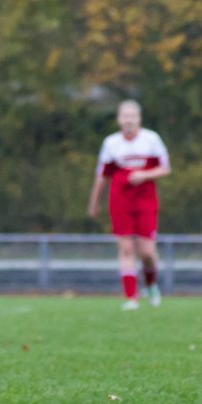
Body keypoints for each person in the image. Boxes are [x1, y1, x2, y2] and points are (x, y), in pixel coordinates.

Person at [87, 100, 171, 310]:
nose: (129, 120)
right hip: (120, 201)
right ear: (119, 119)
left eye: (132, 115)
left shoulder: (151, 139)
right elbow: (102, 177)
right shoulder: (111, 143)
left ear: (139, 118)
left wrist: (144, 174)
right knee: (125, 248)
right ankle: (131, 297)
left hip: (145, 200)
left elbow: (165, 169)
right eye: (125, 116)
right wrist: (94, 203)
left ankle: (151, 285)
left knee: (147, 253)